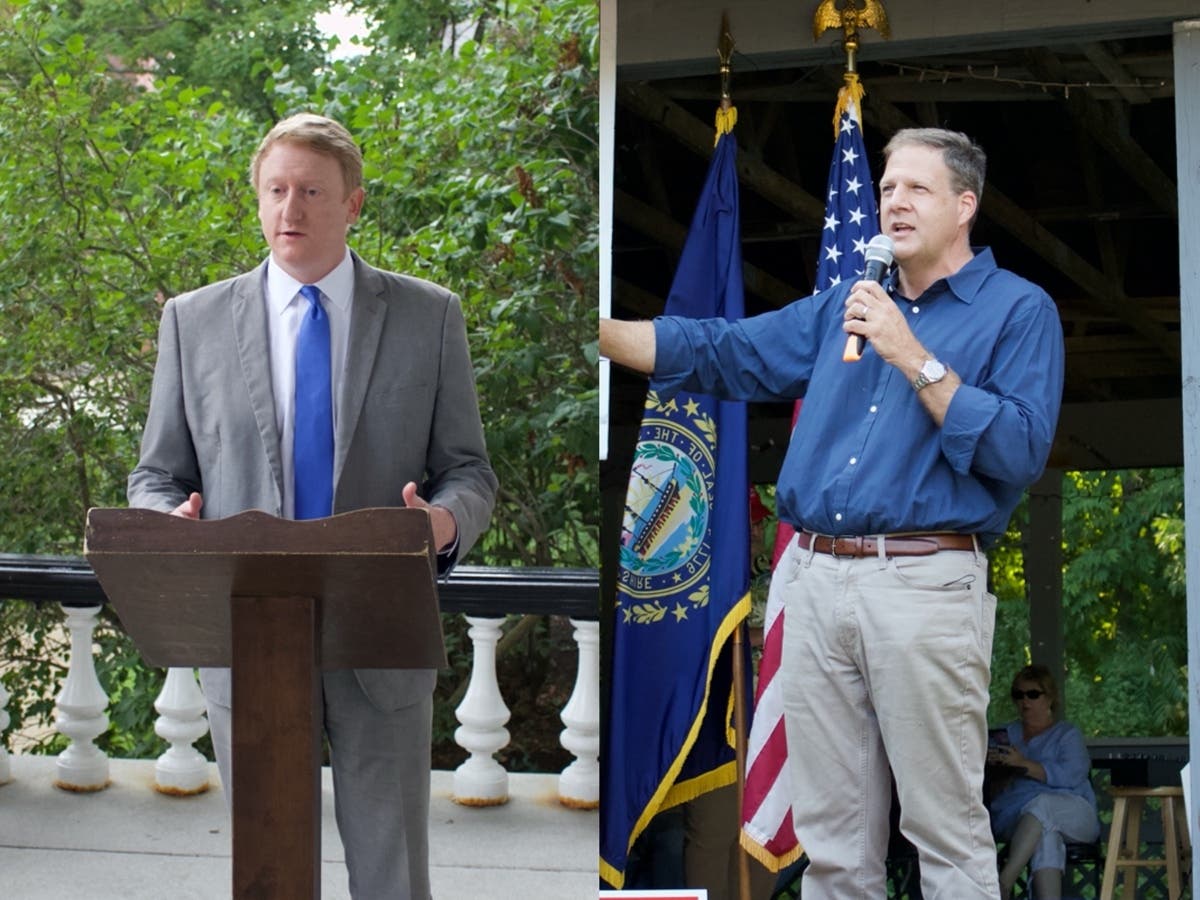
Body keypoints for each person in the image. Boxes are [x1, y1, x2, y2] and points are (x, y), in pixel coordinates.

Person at [600, 127, 1065, 898]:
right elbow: (724, 351)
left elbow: (1017, 451)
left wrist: (910, 352)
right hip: (812, 579)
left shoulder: (1018, 312)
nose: (895, 202)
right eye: (887, 188)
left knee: (943, 829)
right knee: (834, 843)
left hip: (923, 583)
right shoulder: (842, 308)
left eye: (917, 188)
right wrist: (599, 335)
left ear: (964, 206)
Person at [128, 112, 497, 899]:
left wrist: (441, 523)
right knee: (269, 874)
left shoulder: (429, 315)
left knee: (393, 878)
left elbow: (468, 472)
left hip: (381, 642)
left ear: (353, 203)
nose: (289, 210)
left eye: (311, 192)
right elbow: (155, 476)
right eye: (275, 190)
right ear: (257, 200)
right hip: (247, 640)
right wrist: (169, 524)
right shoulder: (191, 323)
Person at [987, 665, 1099, 899]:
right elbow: (990, 789)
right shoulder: (1005, 736)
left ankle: (1003, 884)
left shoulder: (1067, 734)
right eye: (1018, 694)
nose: (1024, 701)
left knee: (1043, 805)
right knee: (1046, 837)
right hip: (1016, 817)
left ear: (1050, 698)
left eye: (1033, 694)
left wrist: (1024, 764)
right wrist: (993, 767)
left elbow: (1073, 775)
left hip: (1073, 813)